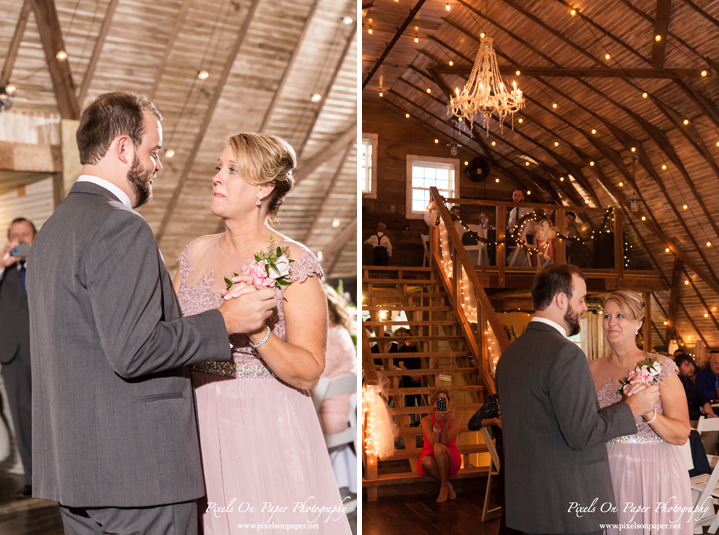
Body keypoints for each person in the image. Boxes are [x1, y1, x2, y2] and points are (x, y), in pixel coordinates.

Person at [27, 92, 276, 534]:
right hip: (141, 476)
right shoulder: (120, 226)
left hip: (74, 473)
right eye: (153, 152)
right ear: (124, 149)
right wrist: (228, 320)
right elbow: (135, 350)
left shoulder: (51, 230)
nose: (158, 165)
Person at [174, 132, 351, 533]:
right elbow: (172, 336)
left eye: (232, 170)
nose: (217, 177)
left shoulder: (293, 262)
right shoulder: (194, 254)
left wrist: (258, 333)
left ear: (264, 189)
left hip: (264, 425)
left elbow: (308, 370)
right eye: (219, 167)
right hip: (196, 417)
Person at [496, 264, 660, 534]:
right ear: (562, 300)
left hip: (523, 506)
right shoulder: (565, 354)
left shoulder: (509, 355)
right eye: (581, 299)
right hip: (568, 507)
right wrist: (630, 408)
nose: (585, 308)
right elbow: (582, 434)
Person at [588, 290, 692, 534]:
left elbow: (681, 434)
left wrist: (648, 413)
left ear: (639, 323)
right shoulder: (590, 369)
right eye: (606, 316)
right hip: (607, 471)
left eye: (620, 316)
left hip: (656, 473)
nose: (611, 322)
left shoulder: (659, 366)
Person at [0, 217, 36, 497]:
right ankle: (31, 478)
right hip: (12, 352)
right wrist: (3, 264)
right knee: (22, 419)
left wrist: (34, 256)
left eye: (24, 235)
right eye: (15, 236)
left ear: (34, 236)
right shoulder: (4, 268)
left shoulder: (44, 262)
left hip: (42, 349)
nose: (19, 240)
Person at [312, 284, 357, 497]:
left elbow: (313, 377)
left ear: (326, 311)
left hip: (327, 418)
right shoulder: (341, 333)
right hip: (342, 412)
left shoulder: (330, 339)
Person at [468, 394, 519, 535]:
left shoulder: (525, 399)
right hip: (507, 456)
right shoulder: (496, 400)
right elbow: (472, 423)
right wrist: (494, 420)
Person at [418, 389, 461, 503]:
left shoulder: (455, 421)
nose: (442, 402)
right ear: (434, 403)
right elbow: (433, 442)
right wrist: (437, 423)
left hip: (449, 456)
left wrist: (445, 422)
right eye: (439, 400)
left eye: (444, 400)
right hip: (430, 455)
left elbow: (444, 442)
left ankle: (443, 487)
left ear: (448, 402)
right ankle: (447, 484)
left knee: (438, 447)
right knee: (426, 461)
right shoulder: (426, 420)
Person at [506, 188, 533, 267]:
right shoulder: (513, 211)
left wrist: (519, 227)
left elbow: (530, 226)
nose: (516, 198)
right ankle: (504, 263)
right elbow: (510, 226)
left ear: (523, 198)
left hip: (526, 237)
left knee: (503, 241)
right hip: (514, 236)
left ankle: (504, 264)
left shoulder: (528, 209)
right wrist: (512, 227)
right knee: (501, 239)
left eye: (518, 196)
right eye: (515, 195)